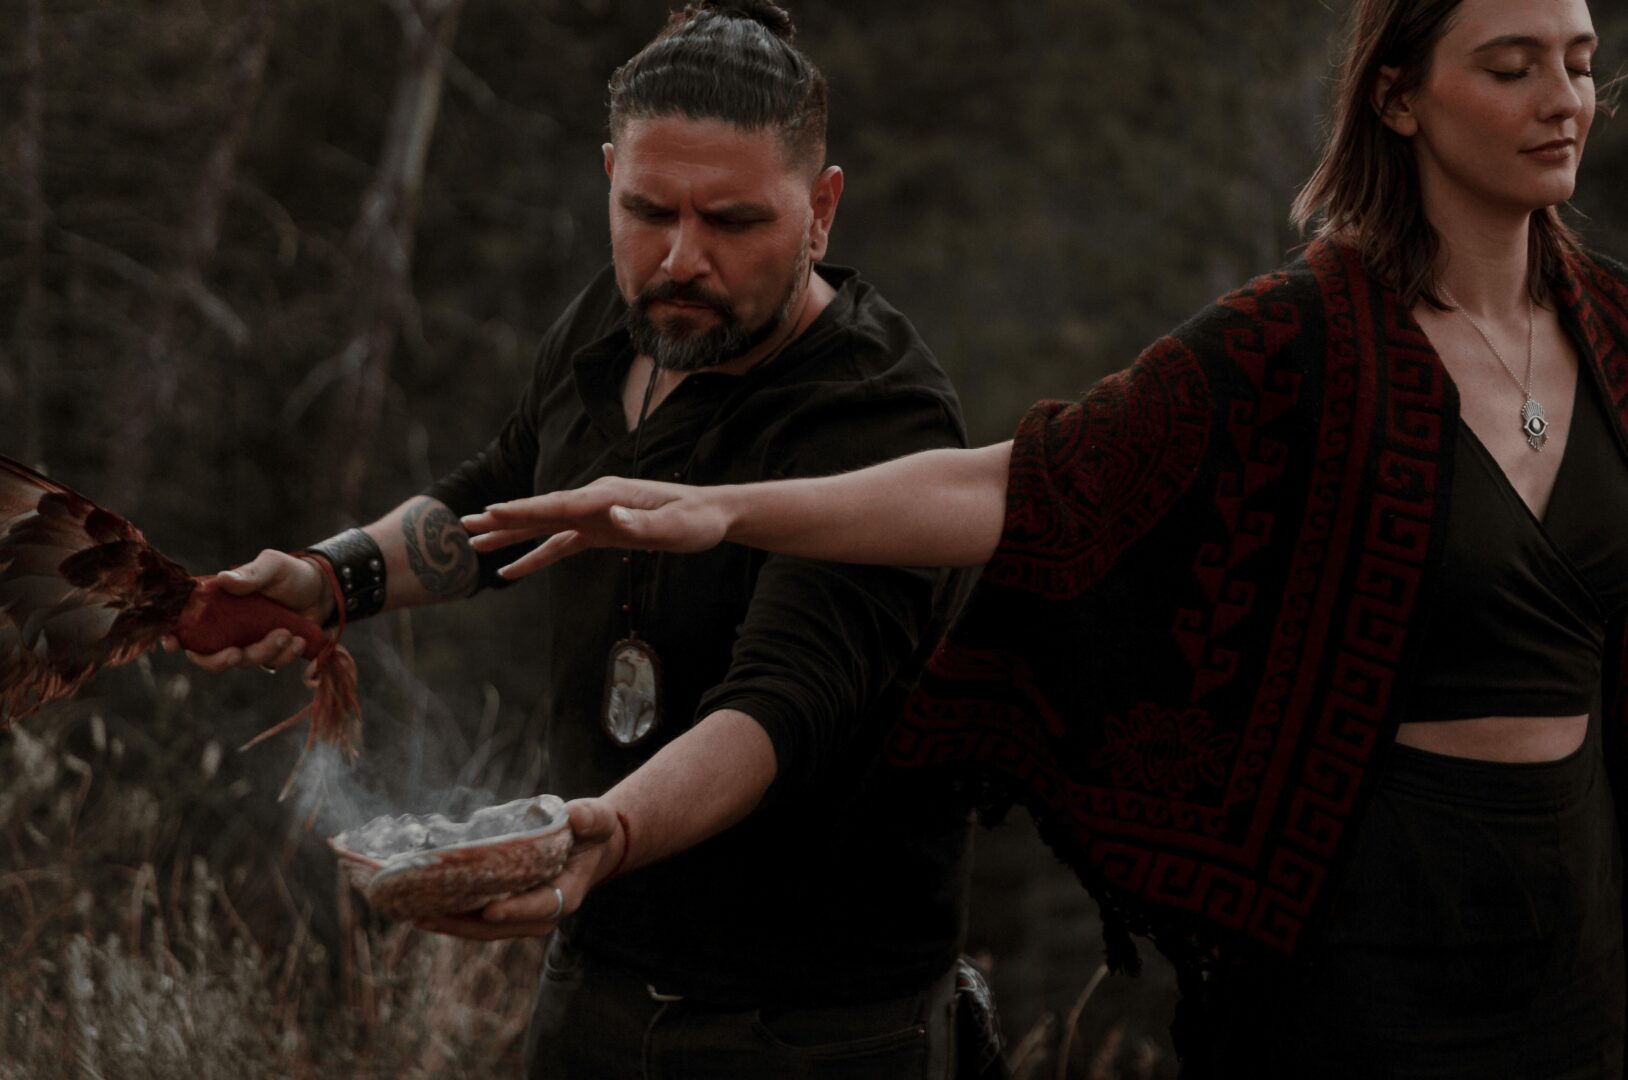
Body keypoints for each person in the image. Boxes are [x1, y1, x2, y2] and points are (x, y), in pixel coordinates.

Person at [459, 0, 1628, 1075]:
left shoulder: (1615, 334)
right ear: (1396, 95)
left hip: (1579, 934)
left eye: (1577, 65)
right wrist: (730, 510)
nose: (1562, 100)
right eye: (1511, 68)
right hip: (1371, 946)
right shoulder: (1304, 339)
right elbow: (1025, 483)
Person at [175, 3, 985, 1076]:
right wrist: (331, 578)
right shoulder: (624, 320)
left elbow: (780, 706)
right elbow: (509, 487)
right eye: (646, 210)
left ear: (821, 209)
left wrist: (607, 834)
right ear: (610, 177)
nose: (681, 259)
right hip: (595, 979)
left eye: (733, 222)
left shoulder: (877, 417)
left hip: (816, 1027)